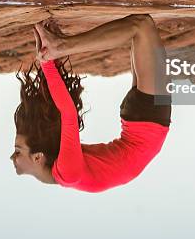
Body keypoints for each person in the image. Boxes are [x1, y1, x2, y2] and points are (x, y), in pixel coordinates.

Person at [11, 15, 172, 192]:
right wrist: (47, 62)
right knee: (140, 27)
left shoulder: (62, 168)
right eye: (18, 151)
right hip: (145, 124)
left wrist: (48, 58)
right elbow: (68, 115)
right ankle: (62, 46)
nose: (12, 157)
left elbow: (60, 111)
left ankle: (59, 46)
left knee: (142, 26)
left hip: (147, 124)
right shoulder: (68, 174)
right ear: (37, 158)